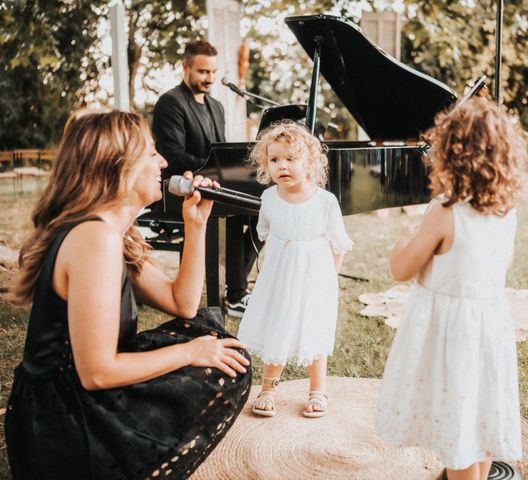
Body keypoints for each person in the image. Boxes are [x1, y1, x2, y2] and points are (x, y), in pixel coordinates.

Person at [5, 110, 252, 480]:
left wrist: (195, 225)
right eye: (151, 153)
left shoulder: (111, 233)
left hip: (73, 392)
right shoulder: (94, 239)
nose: (164, 163)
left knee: (207, 335)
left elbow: (182, 304)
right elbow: (97, 372)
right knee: (209, 357)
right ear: (118, 166)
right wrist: (189, 352)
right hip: (64, 417)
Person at [375, 98, 527, 480]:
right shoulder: (506, 210)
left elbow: (401, 269)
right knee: (479, 417)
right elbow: (502, 264)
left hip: (450, 335)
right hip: (488, 327)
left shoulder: (444, 212)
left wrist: (404, 237)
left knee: (457, 424)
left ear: (450, 154)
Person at [237, 121, 352, 418]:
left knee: (313, 330)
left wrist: (328, 280)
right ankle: (269, 388)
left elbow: (338, 245)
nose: (282, 166)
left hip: (315, 280)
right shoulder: (269, 199)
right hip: (278, 280)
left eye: (291, 158)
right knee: (278, 325)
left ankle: (317, 391)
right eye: (274, 160)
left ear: (310, 162)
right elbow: (267, 234)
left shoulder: (325, 202)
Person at [152, 39, 261, 317]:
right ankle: (235, 295)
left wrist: (231, 171)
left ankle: (236, 291)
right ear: (185, 67)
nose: (209, 78)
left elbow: (220, 149)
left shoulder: (217, 106)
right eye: (202, 72)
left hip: (213, 183)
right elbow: (173, 155)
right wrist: (215, 172)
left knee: (262, 208)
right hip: (181, 189)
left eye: (212, 72)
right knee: (236, 208)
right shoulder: (170, 102)